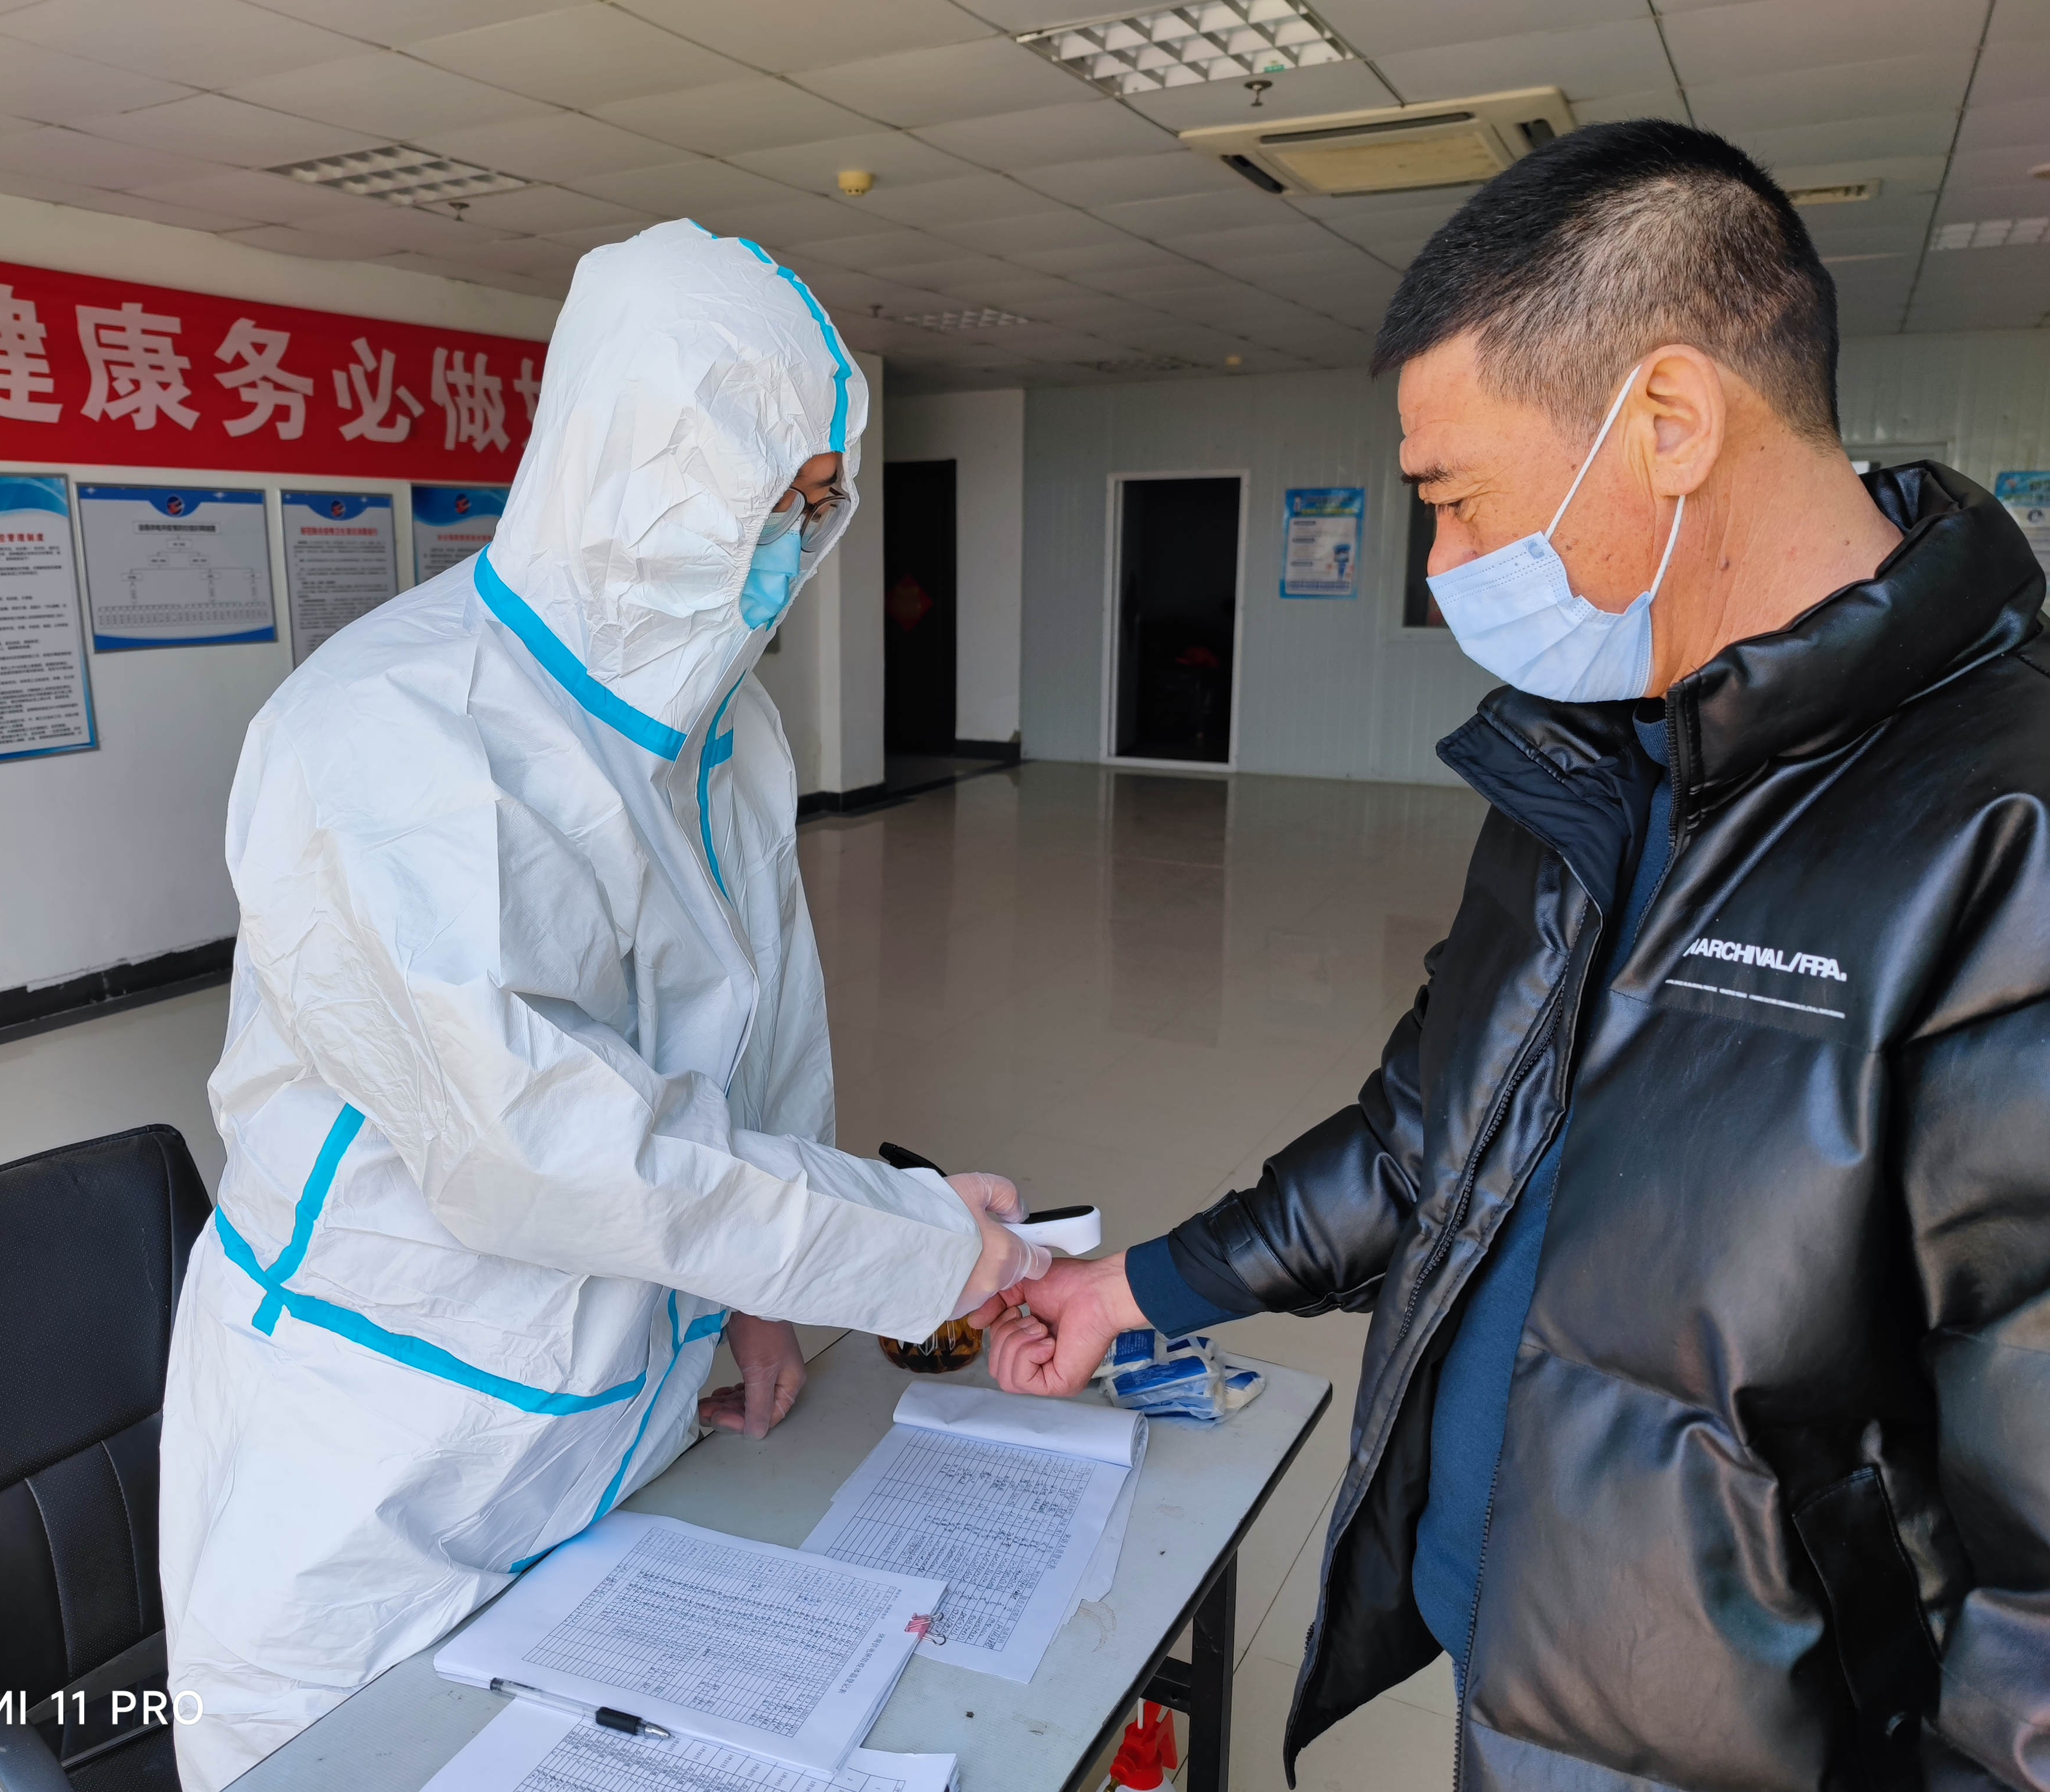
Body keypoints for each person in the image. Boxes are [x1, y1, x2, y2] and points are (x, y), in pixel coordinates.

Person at [979, 122, 2050, 1791]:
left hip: (1752, 1745)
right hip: (1514, 1661)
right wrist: (1129, 1290)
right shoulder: (1601, 759)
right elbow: (1435, 1131)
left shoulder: (2005, 834)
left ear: (1669, 422)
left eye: (1456, 499)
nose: (1444, 567)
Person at [159, 220, 1045, 1791]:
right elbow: (545, 1150)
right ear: (630, 464)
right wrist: (908, 1247)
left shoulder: (726, 732)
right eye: (767, 498)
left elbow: (766, 1044)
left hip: (616, 1426)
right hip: (376, 1464)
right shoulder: (385, 738)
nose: (791, 545)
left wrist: (762, 1298)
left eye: (818, 506)